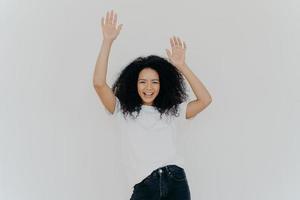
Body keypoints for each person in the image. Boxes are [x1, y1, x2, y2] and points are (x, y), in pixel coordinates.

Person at [93, 10, 212, 200]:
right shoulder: (122, 110)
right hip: (144, 186)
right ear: (134, 84)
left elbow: (205, 100)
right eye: (143, 82)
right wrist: (107, 41)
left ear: (162, 84)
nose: (149, 87)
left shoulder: (172, 111)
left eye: (154, 82)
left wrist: (182, 66)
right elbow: (99, 84)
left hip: (175, 181)